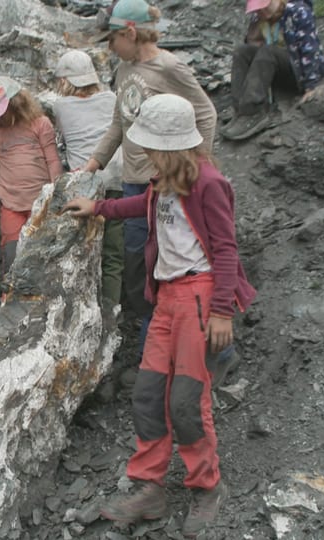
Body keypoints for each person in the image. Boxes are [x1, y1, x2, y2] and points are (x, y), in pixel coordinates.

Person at [64, 94, 256, 537]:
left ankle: (207, 488)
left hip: (200, 297)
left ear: (173, 146)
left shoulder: (208, 182)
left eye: (152, 145)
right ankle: (149, 489)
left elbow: (226, 249)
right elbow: (144, 207)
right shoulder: (165, 177)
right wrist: (99, 209)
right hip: (168, 297)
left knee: (187, 401)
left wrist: (223, 311)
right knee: (149, 395)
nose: (146, 151)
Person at [84, 0, 217, 362]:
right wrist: (92, 164)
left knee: (171, 259)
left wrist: (195, 168)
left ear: (130, 32)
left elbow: (205, 113)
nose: (109, 48)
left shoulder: (170, 67)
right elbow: (118, 124)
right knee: (137, 259)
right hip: (134, 181)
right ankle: (151, 328)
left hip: (168, 182)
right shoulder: (124, 70)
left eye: (112, 39)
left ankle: (179, 341)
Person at [52, 50, 125, 310]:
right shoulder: (112, 98)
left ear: (65, 81)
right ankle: (112, 308)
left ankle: (83, 307)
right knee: (114, 253)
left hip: (85, 186)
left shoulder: (60, 106)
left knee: (83, 251)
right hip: (116, 179)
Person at [0, 76, 63, 276]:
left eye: (2, 112)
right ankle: (10, 298)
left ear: (17, 103)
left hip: (40, 203)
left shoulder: (40, 124)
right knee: (12, 255)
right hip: (11, 204)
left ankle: (39, 300)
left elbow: (53, 160)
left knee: (40, 253)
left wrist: (57, 193)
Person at [222, 0, 324, 141]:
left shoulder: (298, 11)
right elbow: (251, 48)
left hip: (298, 70)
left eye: (264, 7)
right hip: (273, 66)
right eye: (257, 10)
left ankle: (254, 111)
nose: (260, 12)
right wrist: (254, 34)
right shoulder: (259, 18)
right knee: (241, 51)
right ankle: (240, 110)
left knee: (268, 51)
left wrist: (310, 85)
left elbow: (310, 50)